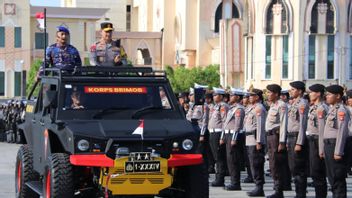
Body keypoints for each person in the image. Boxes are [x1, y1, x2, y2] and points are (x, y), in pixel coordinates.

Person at [322, 85, 349, 198]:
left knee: (337, 177)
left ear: (338, 96)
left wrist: (338, 151)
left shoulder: (341, 110)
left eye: (329, 94)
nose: (327, 96)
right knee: (332, 176)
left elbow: (342, 131)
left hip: (335, 145)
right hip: (328, 145)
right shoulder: (332, 109)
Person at [286, 81, 309, 198]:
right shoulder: (294, 103)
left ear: (300, 91)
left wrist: (299, 142)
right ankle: (298, 192)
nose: (291, 91)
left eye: (293, 89)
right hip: (291, 137)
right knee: (293, 167)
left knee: (298, 167)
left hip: (296, 137)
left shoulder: (302, 104)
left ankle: (301, 194)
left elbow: (303, 124)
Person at [265, 84, 288, 198]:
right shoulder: (272, 105)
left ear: (276, 94)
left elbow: (283, 124)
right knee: (272, 164)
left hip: (276, 137)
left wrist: (282, 142)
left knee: (276, 164)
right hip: (270, 136)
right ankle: (276, 188)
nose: (268, 94)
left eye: (269, 92)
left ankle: (279, 190)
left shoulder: (281, 105)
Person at [219, 88, 245, 191]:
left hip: (234, 136)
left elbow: (237, 125)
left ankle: (236, 183)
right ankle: (233, 182)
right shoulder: (231, 108)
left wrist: (234, 139)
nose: (230, 97)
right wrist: (223, 137)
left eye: (233, 95)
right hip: (227, 135)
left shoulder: (239, 109)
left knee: (233, 160)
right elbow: (225, 124)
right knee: (229, 160)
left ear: (238, 97)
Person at [307, 84, 328, 197]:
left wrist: (321, 149)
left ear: (318, 93)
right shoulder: (314, 107)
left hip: (317, 141)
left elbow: (321, 130)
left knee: (318, 172)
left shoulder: (321, 108)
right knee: (314, 172)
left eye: (312, 92)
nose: (309, 94)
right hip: (312, 140)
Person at [245, 88, 267, 197]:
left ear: (257, 97)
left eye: (252, 95)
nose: (249, 97)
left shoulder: (259, 108)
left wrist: (259, 141)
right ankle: (257, 186)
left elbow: (260, 126)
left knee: (257, 164)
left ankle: (259, 187)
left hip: (255, 140)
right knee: (252, 164)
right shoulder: (251, 108)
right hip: (249, 139)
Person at [208, 87, 229, 187]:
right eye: (213, 95)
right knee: (216, 157)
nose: (214, 97)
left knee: (219, 157)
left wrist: (222, 137)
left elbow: (225, 122)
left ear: (221, 96)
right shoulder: (215, 106)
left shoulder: (223, 106)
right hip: (213, 133)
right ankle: (218, 177)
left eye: (216, 95)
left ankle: (220, 179)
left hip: (218, 133)